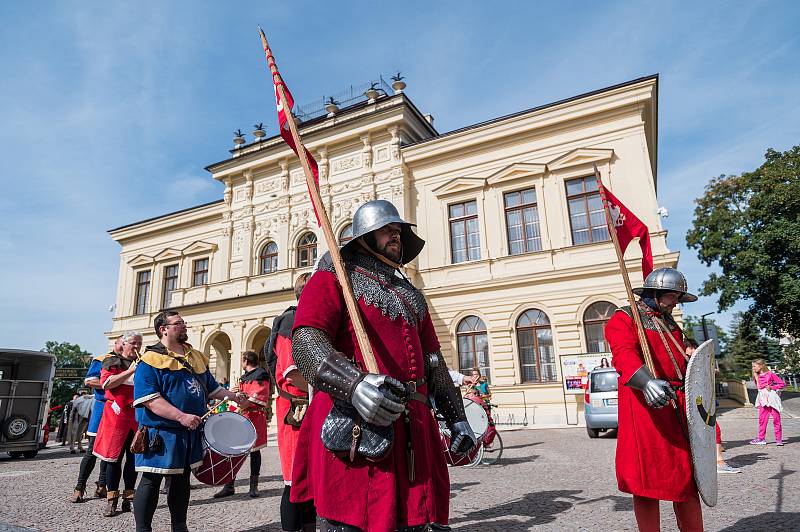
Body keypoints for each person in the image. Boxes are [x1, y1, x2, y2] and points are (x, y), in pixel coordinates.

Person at [290, 199, 476, 532]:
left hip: (413, 426)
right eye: (385, 230)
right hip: (358, 418)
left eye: (398, 231)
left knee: (416, 521)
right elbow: (307, 342)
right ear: (363, 237)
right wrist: (355, 384)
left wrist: (458, 418)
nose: (395, 236)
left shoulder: (411, 294)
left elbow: (434, 361)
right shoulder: (335, 276)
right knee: (353, 518)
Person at [132, 311, 250, 532]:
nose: (184, 326)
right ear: (163, 329)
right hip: (161, 433)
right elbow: (149, 399)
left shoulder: (194, 356)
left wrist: (234, 396)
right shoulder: (149, 360)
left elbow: (212, 388)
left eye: (183, 323)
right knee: (151, 480)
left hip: (189, 433)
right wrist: (181, 416)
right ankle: (143, 529)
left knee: (181, 481)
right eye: (178, 324)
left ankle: (179, 527)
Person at [605, 267, 703, 532]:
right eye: (673, 297)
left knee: (686, 479)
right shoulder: (625, 317)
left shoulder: (670, 324)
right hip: (645, 408)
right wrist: (646, 382)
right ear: (657, 293)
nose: (676, 303)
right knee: (646, 482)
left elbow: (682, 366)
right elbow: (623, 355)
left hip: (677, 408)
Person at [272, 273, 316, 532]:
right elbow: (292, 372)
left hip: (309, 404)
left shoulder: (309, 322)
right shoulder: (291, 321)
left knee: (309, 477)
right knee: (293, 478)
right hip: (296, 409)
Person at [94, 331, 142, 517]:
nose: (137, 347)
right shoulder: (112, 361)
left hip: (135, 415)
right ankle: (111, 499)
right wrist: (131, 371)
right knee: (113, 458)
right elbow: (106, 383)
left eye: (139, 343)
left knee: (133, 458)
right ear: (124, 344)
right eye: (133, 343)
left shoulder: (143, 362)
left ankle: (128, 498)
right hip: (116, 415)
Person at [213, 349, 271, 499]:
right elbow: (244, 395)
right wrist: (234, 393)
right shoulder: (244, 377)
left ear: (246, 360)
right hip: (241, 417)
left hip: (254, 418)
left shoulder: (261, 374)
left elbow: (259, 396)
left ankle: (253, 486)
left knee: (254, 452)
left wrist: (242, 401)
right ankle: (229, 485)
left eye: (242, 360)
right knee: (233, 451)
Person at [70, 336, 122, 503]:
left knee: (111, 452)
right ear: (116, 344)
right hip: (102, 406)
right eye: (124, 343)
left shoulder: (129, 362)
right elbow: (90, 380)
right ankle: (79, 487)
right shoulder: (102, 359)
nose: (126, 346)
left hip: (118, 410)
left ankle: (102, 484)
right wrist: (111, 383)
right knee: (91, 450)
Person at [684, 339, 740, 474]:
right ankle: (718, 462)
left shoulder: (695, 363)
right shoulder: (685, 364)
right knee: (713, 429)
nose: (694, 350)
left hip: (701, 402)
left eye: (694, 347)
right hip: (693, 403)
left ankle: (716, 461)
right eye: (691, 347)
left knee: (713, 429)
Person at [750, 358, 785, 446]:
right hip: (763, 399)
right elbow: (759, 388)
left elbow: (782, 384)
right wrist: (755, 376)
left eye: (754, 366)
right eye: (752, 366)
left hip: (772, 399)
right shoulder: (756, 376)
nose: (753, 368)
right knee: (762, 420)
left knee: (776, 419)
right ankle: (761, 438)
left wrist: (772, 387)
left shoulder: (770, 374)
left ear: (761, 365)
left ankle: (779, 440)